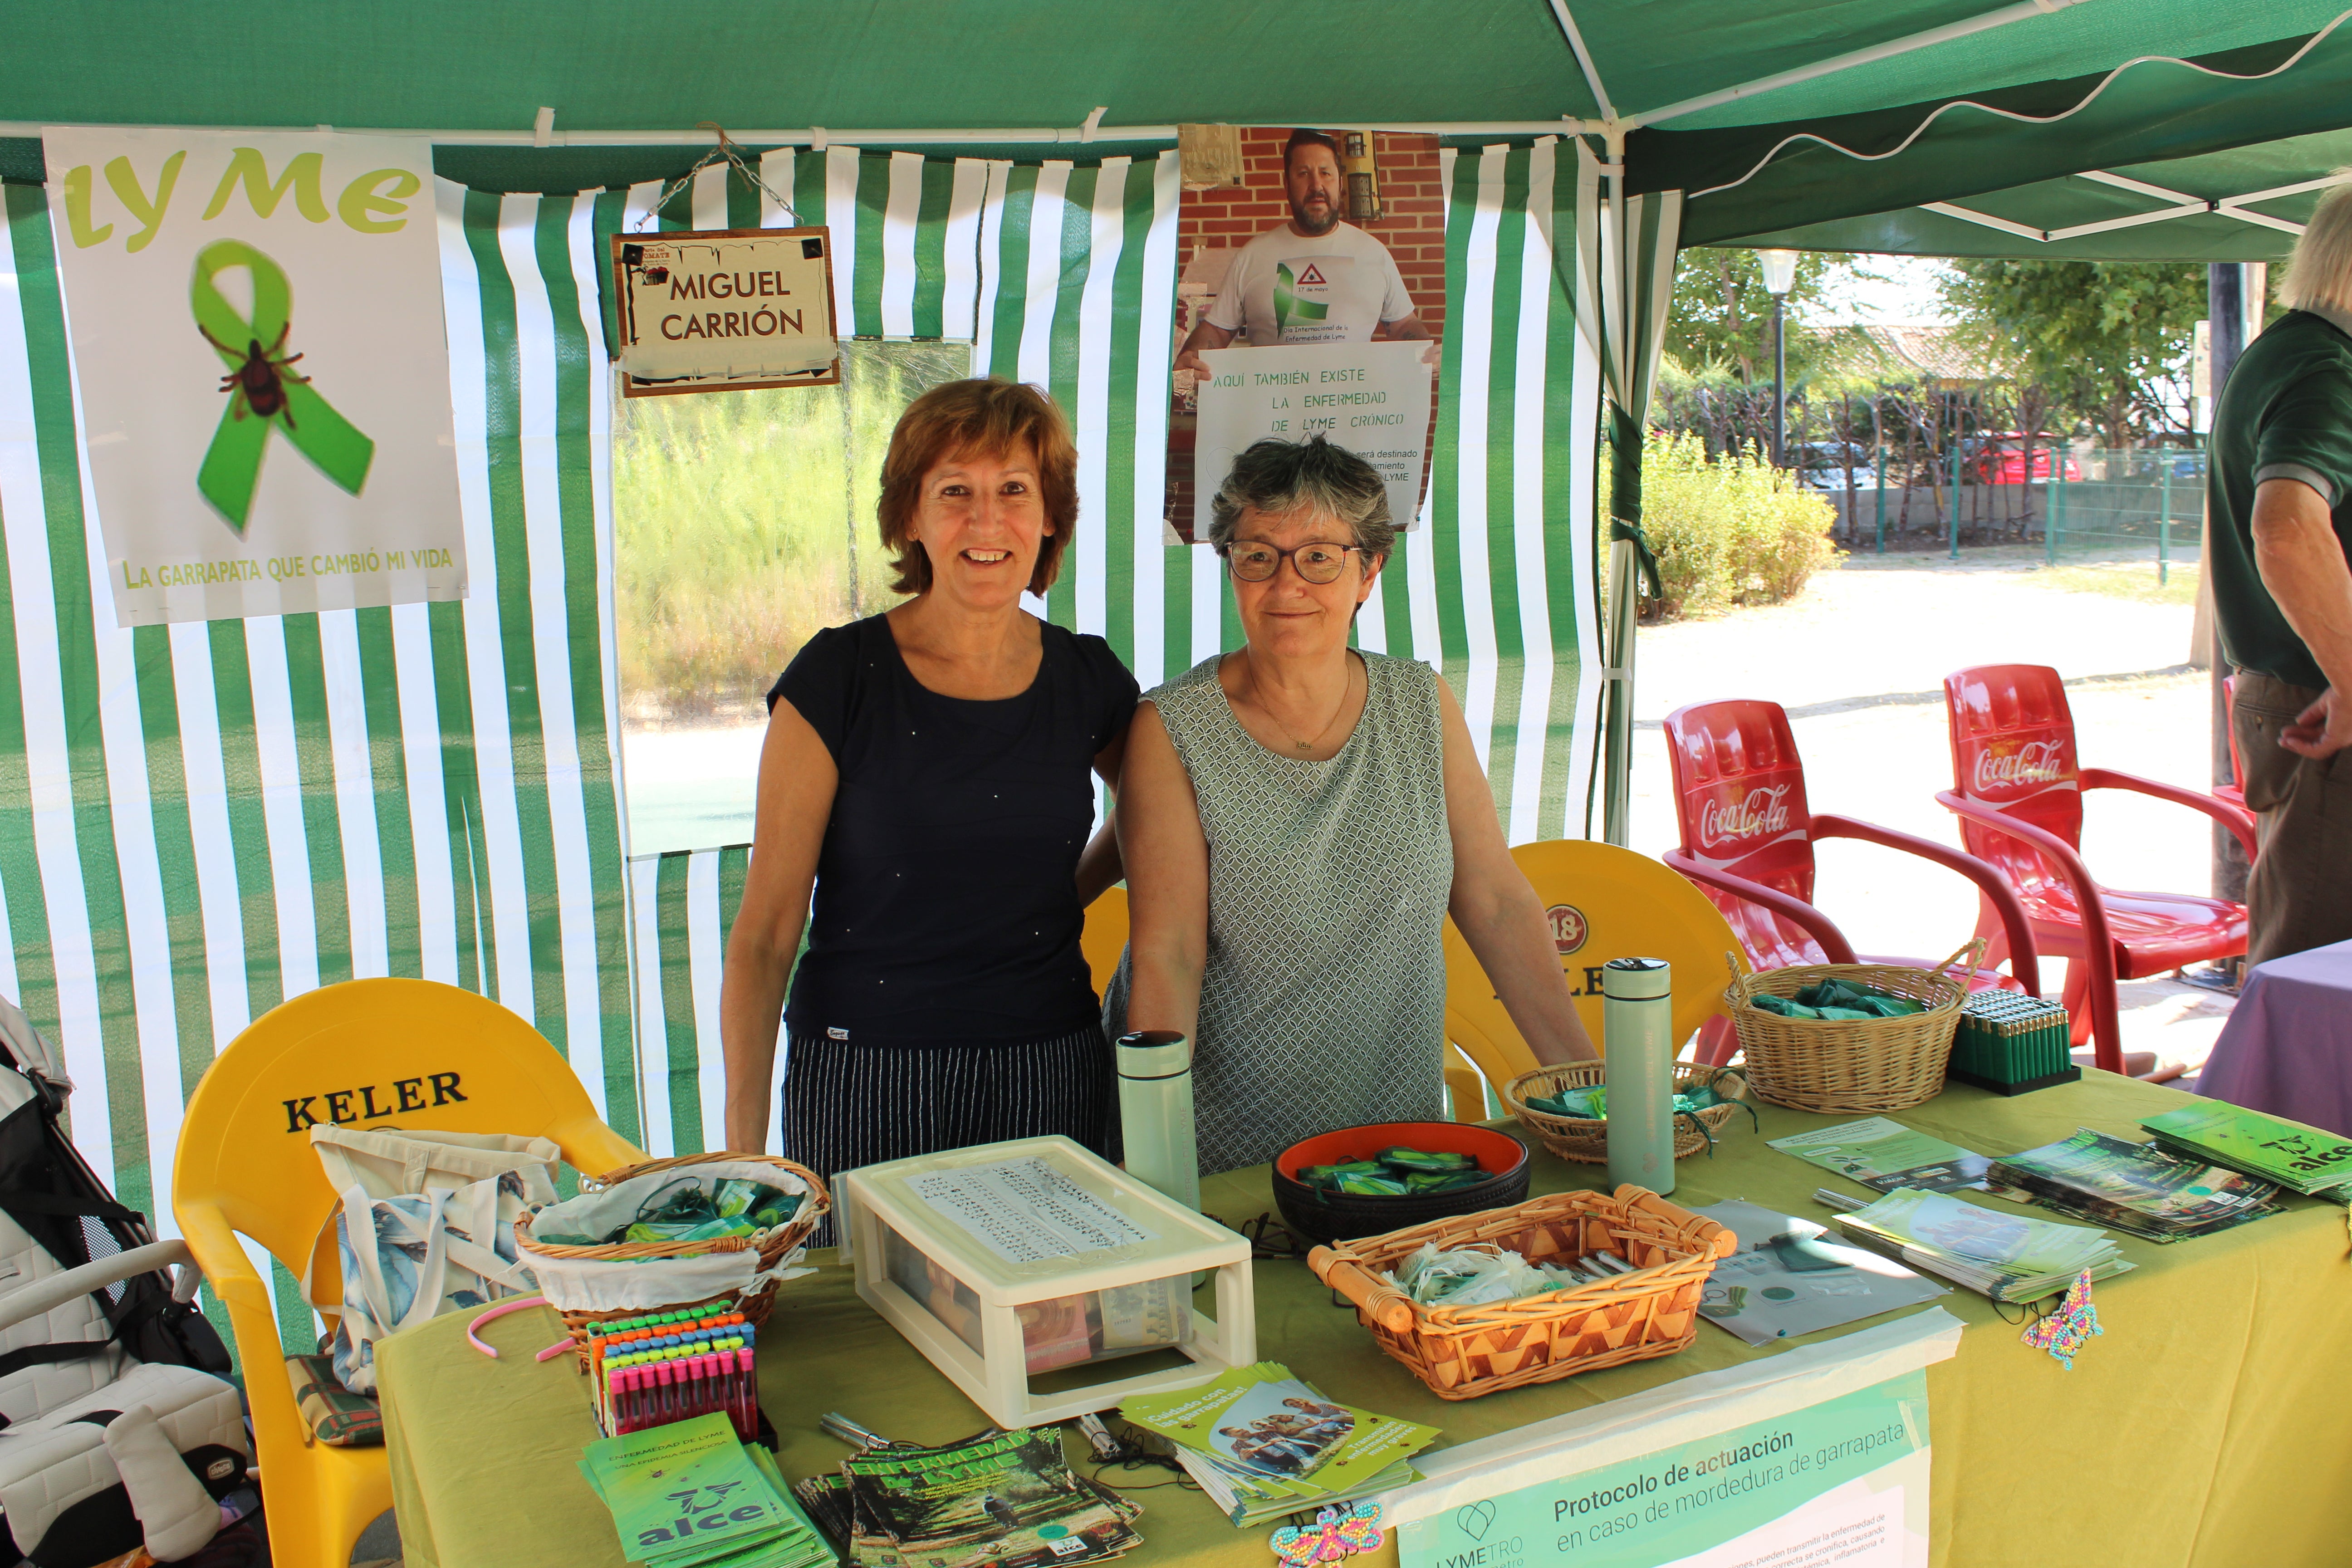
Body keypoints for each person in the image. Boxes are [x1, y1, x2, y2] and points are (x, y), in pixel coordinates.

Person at [1108, 436, 1597, 1175]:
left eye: (1318, 556)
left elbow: (1495, 901)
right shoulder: (1170, 728)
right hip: (1221, 1148)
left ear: (1369, 570)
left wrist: (1587, 1094)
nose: (1285, 584)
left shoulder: (1419, 703)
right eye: (1257, 555)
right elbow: (1167, 956)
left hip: (1395, 1142)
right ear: (1230, 567)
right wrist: (1159, 1163)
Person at [719, 378, 1137, 1215]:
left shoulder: (1088, 679)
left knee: (1047, 1328)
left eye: (1013, 491)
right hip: (865, 1072)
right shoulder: (837, 678)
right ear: (908, 517)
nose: (986, 523)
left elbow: (1154, 824)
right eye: (954, 492)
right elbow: (766, 931)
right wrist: (740, 1155)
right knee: (874, 1333)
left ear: (1050, 515)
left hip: (1046, 1066)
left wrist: (1066, 891)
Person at [2208, 182, 2352, 968]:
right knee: (2316, 971)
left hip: (2305, 689)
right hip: (2320, 697)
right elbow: (2287, 528)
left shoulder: (2288, 351)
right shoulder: (2327, 370)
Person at [1173, 129, 1436, 370]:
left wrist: (1426, 351)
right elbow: (1218, 329)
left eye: (1325, 173)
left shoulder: (1374, 254)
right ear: (1286, 184)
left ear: (1340, 183)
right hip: (1274, 415)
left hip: (1351, 414)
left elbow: (1403, 324)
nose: (1316, 186)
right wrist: (1193, 354)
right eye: (1303, 174)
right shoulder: (1253, 256)